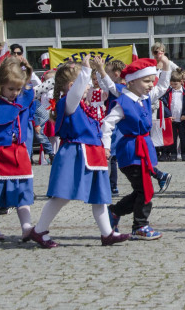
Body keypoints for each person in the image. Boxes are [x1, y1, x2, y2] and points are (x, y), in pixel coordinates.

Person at [27, 58, 128, 249]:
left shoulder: (84, 105)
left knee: (99, 196)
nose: (90, 89)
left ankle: (107, 233)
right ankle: (39, 230)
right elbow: (76, 91)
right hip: (74, 154)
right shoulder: (68, 103)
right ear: (74, 85)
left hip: (92, 153)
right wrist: (85, 70)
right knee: (61, 195)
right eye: (87, 85)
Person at [106, 56, 175, 241]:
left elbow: (162, 87)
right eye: (146, 81)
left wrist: (166, 66)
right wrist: (105, 147)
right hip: (131, 151)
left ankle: (114, 212)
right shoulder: (123, 102)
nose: (151, 85)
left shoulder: (143, 98)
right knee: (145, 190)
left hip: (145, 148)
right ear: (132, 81)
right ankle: (140, 226)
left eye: (151, 80)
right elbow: (106, 124)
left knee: (141, 190)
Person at [0, 57, 37, 242]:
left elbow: (33, 85)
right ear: (1, 85)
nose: (15, 93)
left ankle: (26, 227)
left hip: (19, 151)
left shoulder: (24, 97)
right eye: (10, 89)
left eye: (17, 89)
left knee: (23, 191)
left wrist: (27, 68)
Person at [164, 69, 185, 161]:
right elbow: (165, 105)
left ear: (181, 82)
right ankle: (173, 154)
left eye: (176, 84)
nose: (174, 86)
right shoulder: (168, 93)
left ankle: (184, 154)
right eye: (172, 84)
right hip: (173, 119)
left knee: (183, 138)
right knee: (173, 138)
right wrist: (168, 115)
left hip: (182, 119)